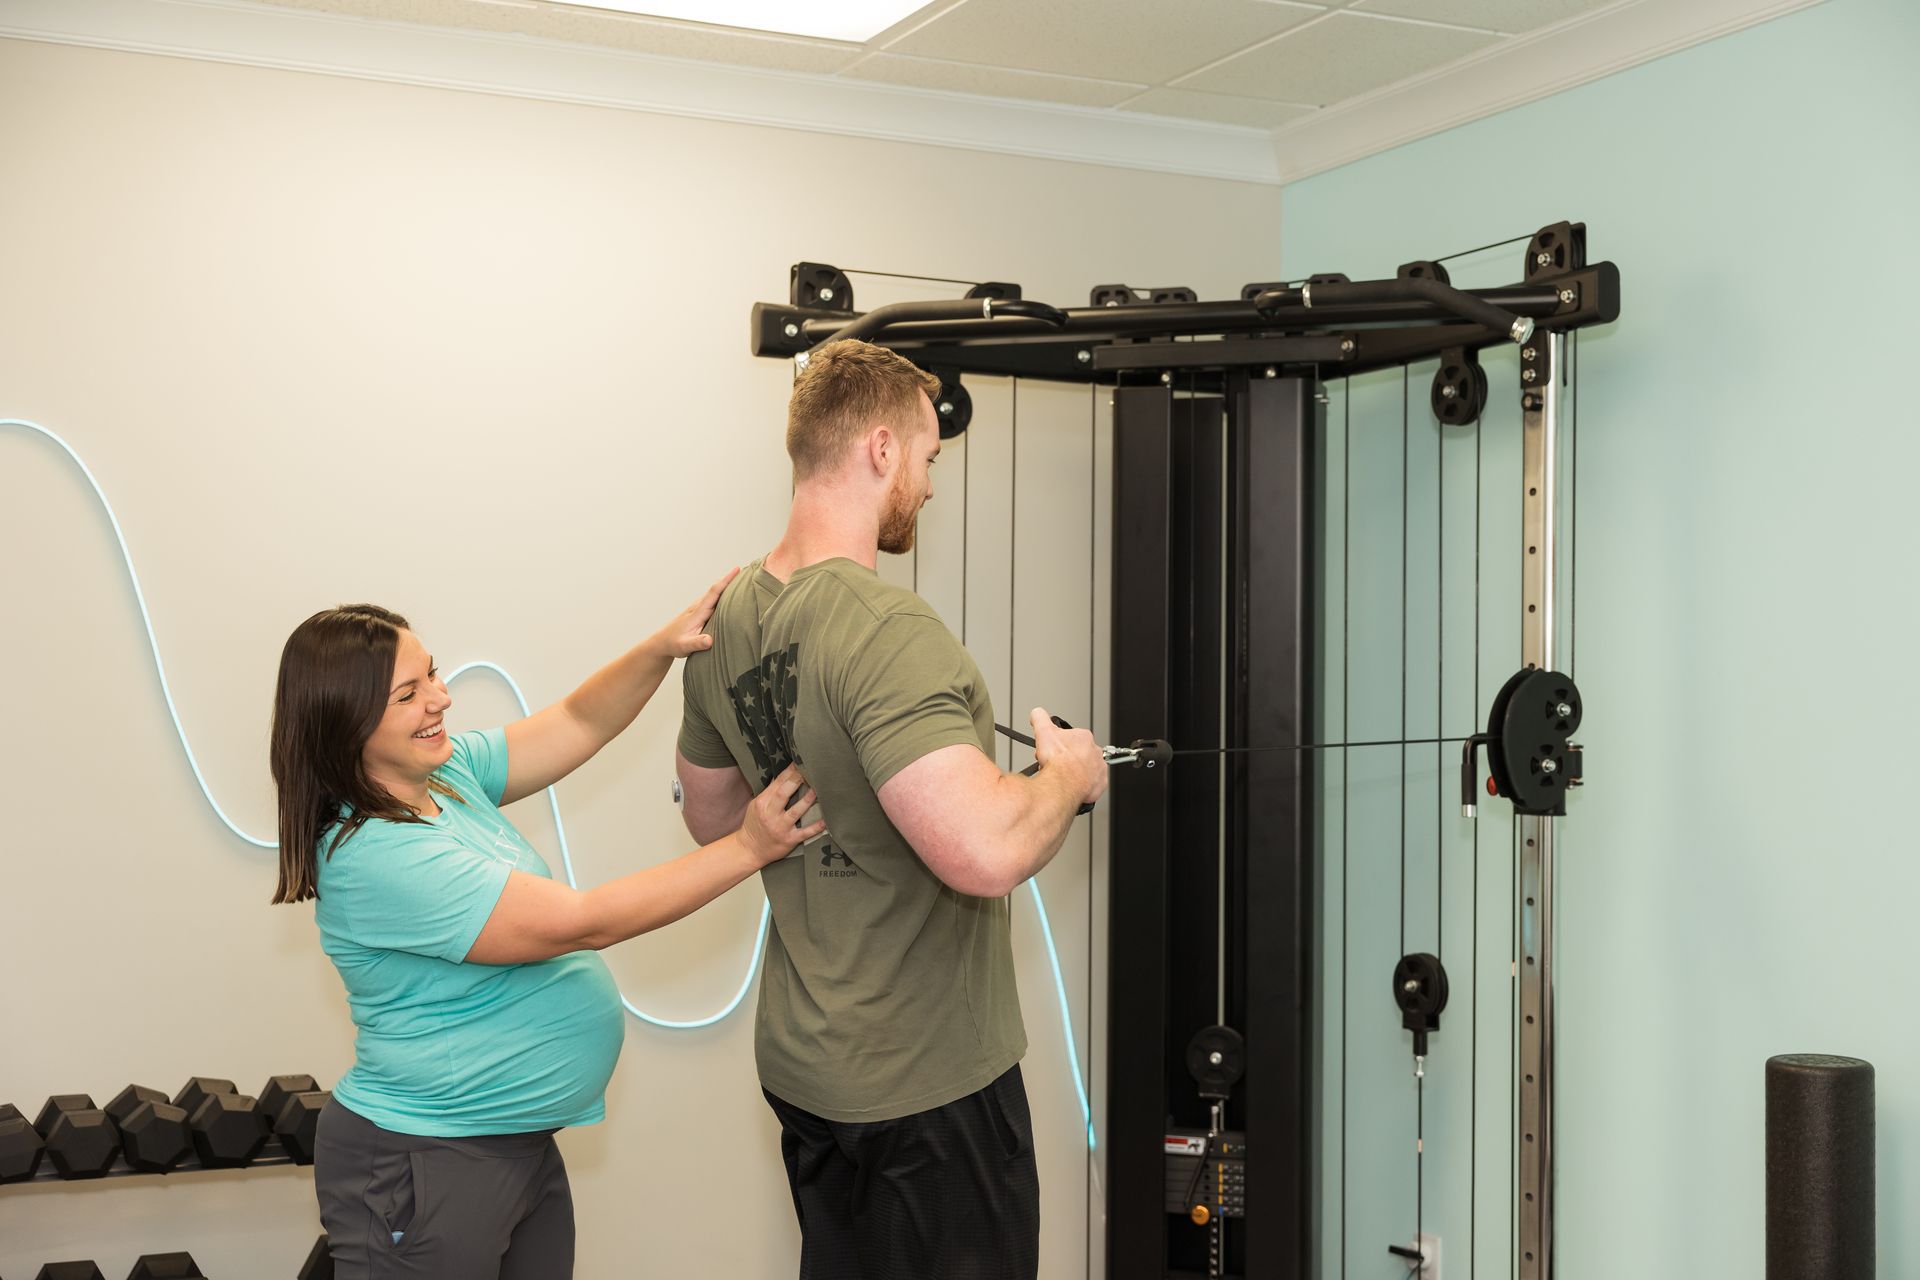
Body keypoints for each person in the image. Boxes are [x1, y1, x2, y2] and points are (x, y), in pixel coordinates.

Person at [675, 339, 1109, 1280]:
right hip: (927, 1089)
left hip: (812, 1073)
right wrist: (1067, 777)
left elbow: (714, 823)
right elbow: (984, 851)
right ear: (879, 449)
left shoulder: (721, 621)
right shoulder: (886, 629)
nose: (928, 481)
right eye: (928, 457)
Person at [269, 585, 822, 1280]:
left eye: (432, 673)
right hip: (424, 1155)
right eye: (408, 695)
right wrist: (745, 848)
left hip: (516, 1143)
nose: (440, 699)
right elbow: (582, 922)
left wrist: (660, 649)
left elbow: (578, 720)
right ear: (348, 725)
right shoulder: (375, 854)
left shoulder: (449, 778)